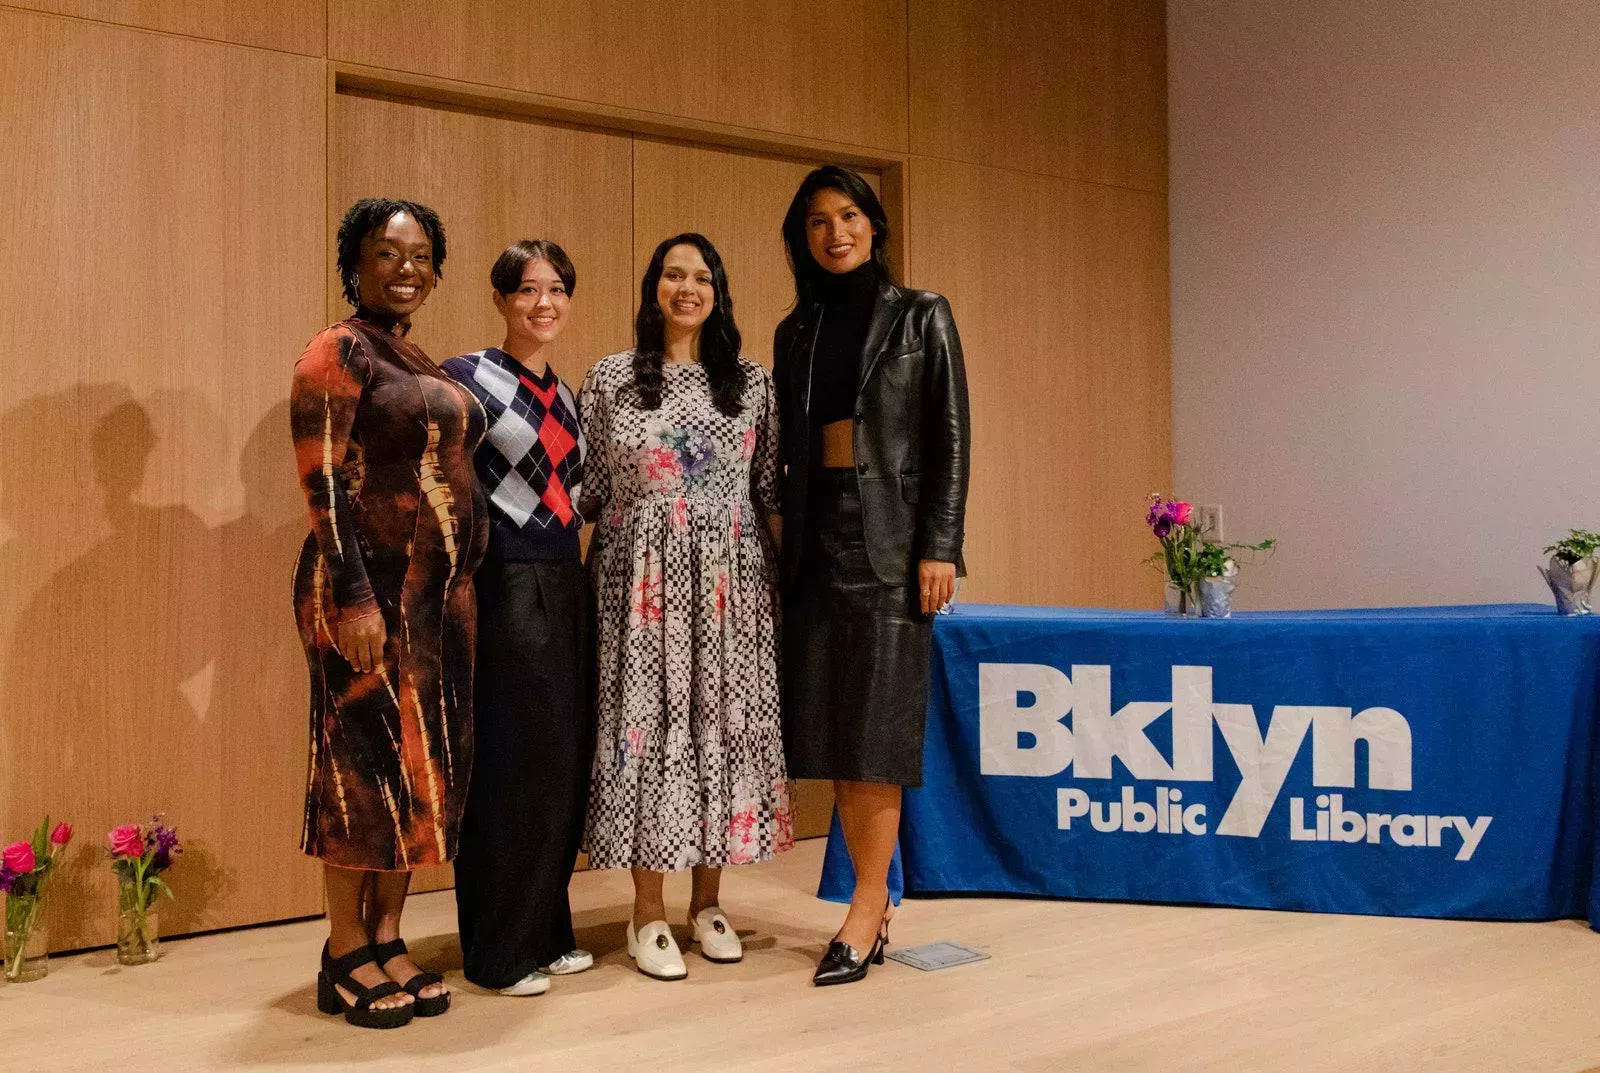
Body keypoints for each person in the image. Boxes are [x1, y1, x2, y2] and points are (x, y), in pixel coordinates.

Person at [291, 198, 488, 1027]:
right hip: (365, 595)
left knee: (422, 771)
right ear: (356, 262)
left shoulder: (418, 357)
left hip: (438, 604)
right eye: (386, 252)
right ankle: (344, 950)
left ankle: (389, 934)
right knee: (361, 774)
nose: (406, 267)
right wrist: (355, 595)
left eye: (420, 255)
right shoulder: (337, 350)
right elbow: (323, 479)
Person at [773, 165, 971, 986]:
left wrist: (941, 544)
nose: (835, 232)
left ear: (874, 225)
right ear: (804, 238)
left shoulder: (923, 316)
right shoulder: (797, 329)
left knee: (876, 735)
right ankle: (868, 897)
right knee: (835, 733)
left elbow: (950, 439)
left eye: (849, 215)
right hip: (817, 537)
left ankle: (866, 905)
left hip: (892, 539)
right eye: (818, 221)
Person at [579, 232, 792, 981]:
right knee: (652, 728)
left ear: (719, 290)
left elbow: (768, 493)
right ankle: (647, 911)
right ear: (653, 287)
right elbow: (590, 488)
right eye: (673, 274)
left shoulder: (752, 384)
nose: (687, 287)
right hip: (640, 586)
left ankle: (708, 902)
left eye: (702, 275)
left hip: (731, 587)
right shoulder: (610, 379)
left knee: (719, 728)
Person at [442, 241, 594, 998]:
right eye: (528, 289)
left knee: (559, 761)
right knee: (510, 765)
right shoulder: (467, 378)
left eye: (557, 289)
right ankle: (497, 950)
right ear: (501, 299)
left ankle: (547, 929)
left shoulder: (565, 393)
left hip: (566, 580)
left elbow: (575, 490)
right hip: (503, 581)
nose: (544, 303)